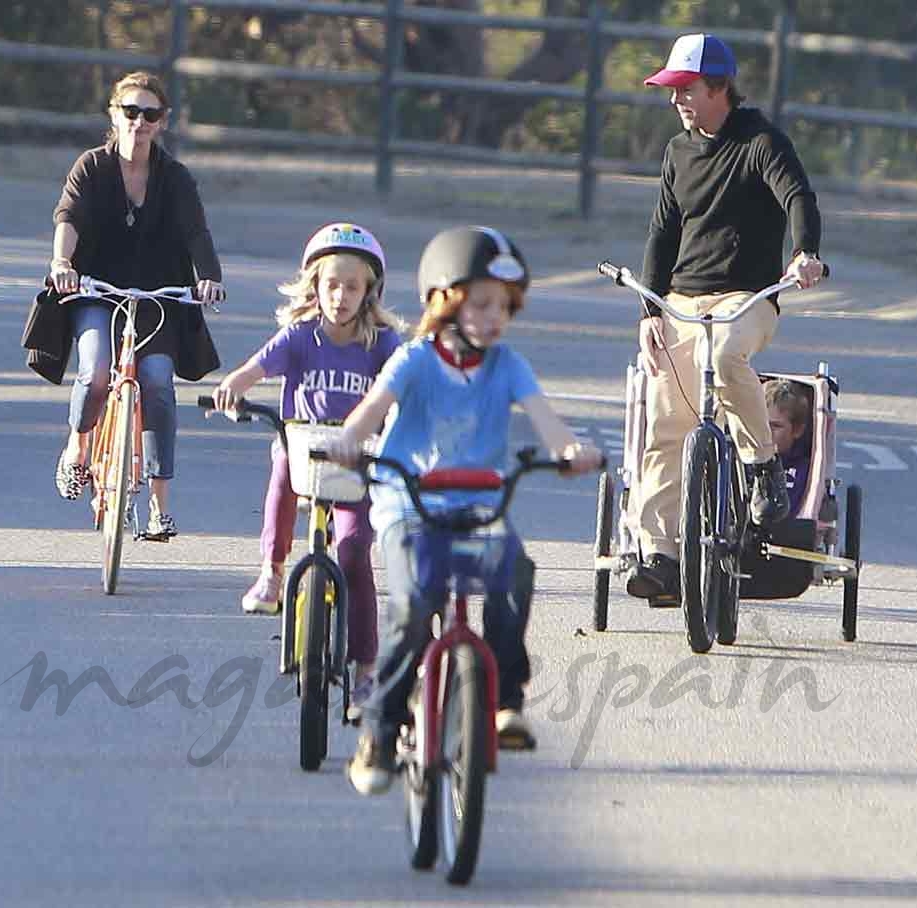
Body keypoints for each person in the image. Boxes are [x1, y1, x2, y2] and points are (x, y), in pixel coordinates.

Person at [324, 225, 603, 795]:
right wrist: (349, 440)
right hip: (410, 504)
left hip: (478, 503)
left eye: (504, 306)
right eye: (481, 303)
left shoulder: (507, 366)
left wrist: (569, 451)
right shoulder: (414, 360)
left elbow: (546, 420)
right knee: (416, 602)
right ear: (444, 301)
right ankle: (378, 728)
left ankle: (503, 702)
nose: (494, 317)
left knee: (513, 571)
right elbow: (373, 409)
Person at [626, 33, 826, 605]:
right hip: (682, 303)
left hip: (749, 298)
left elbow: (797, 196)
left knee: (724, 355)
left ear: (719, 88)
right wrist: (650, 308)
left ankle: (762, 470)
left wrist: (804, 253)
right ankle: (661, 556)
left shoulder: (761, 141)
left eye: (685, 90)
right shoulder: (678, 153)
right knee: (666, 425)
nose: (676, 102)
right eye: (672, 91)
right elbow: (662, 233)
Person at [211, 223, 404, 709]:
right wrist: (232, 389)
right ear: (314, 286)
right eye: (331, 284)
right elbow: (254, 368)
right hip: (303, 448)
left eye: (352, 286)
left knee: (356, 549)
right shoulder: (300, 336)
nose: (340, 296)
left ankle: (365, 667)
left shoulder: (381, 343)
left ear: (369, 292)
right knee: (281, 473)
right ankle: (272, 571)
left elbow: (406, 384)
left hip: (356, 458)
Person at [43, 70, 225, 540]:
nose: (138, 123)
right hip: (95, 291)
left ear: (162, 122)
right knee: (97, 370)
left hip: (155, 299)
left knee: (159, 382)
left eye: (149, 114)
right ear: (114, 115)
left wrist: (208, 278)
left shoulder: (175, 178)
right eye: (130, 112)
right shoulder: (91, 167)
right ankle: (78, 448)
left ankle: (160, 507)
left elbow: (195, 233)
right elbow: (69, 216)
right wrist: (62, 261)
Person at [765, 379, 812, 517]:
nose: (767, 432)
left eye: (776, 426)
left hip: (786, 530)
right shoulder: (742, 463)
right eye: (763, 425)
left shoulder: (803, 469)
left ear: (797, 430)